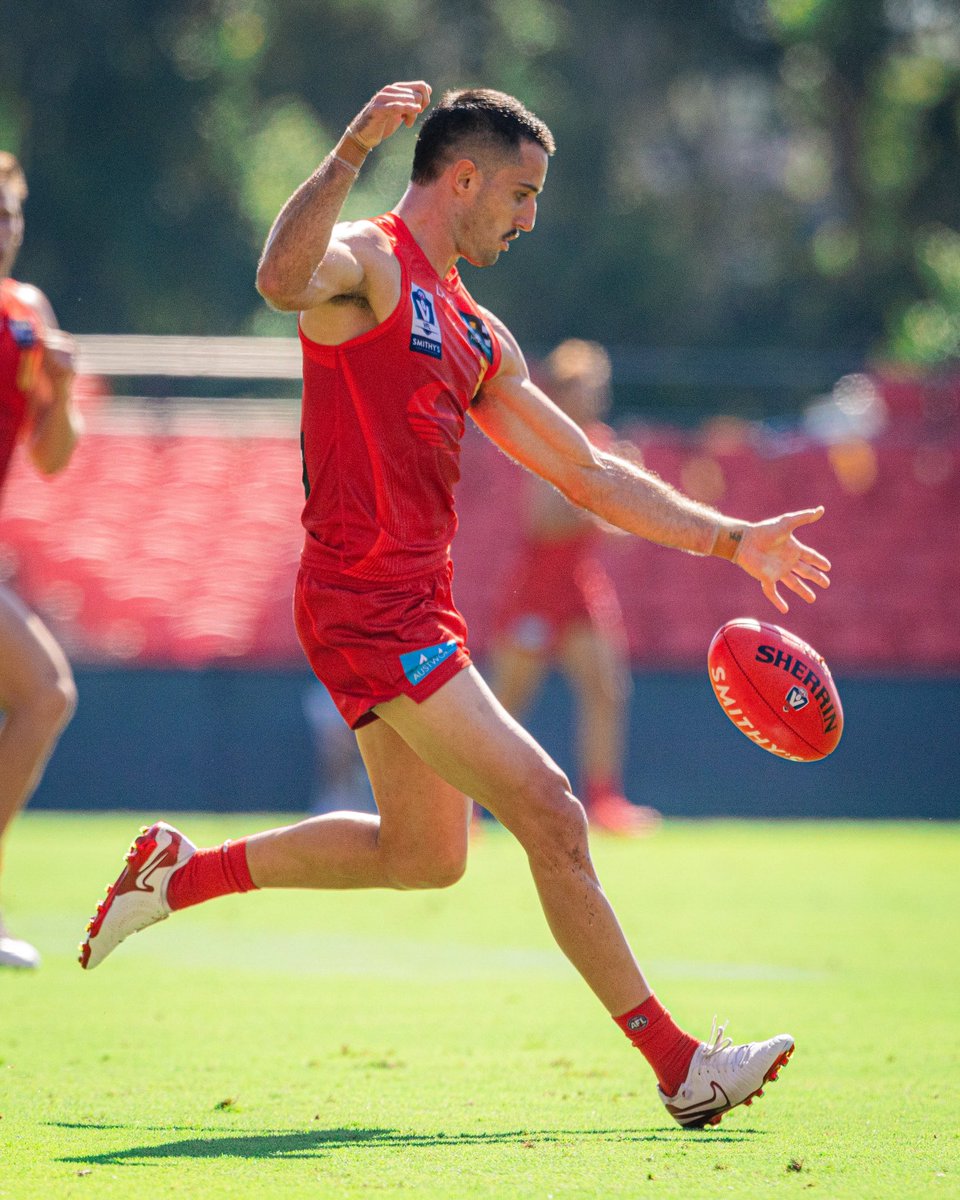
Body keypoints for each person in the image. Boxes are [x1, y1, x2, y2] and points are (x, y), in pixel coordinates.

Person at [79, 83, 831, 1128]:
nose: (531, 218)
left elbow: (588, 473)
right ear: (464, 178)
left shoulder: (477, 330)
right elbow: (280, 279)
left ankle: (178, 877)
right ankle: (681, 1068)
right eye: (522, 194)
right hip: (365, 603)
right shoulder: (371, 262)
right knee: (551, 809)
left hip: (415, 608)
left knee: (424, 857)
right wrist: (351, 147)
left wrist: (732, 539)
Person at [489, 337, 659, 836]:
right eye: (586, 386)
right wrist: (603, 501)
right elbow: (542, 521)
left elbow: (611, 527)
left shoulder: (600, 440)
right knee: (503, 707)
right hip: (538, 589)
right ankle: (465, 808)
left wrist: (628, 505)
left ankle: (604, 799)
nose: (596, 395)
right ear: (562, 392)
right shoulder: (548, 437)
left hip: (578, 586)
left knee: (606, 689)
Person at [0, 151, 81, 968]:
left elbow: (54, 458)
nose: (3, 230)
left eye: (10, 215)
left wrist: (61, 389)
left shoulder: (27, 313)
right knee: (44, 690)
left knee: (45, 693)